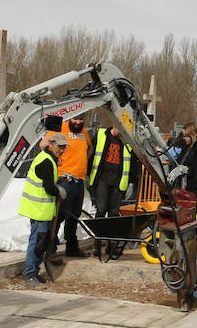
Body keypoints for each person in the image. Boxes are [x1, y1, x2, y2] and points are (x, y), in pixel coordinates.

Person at [18, 132, 67, 287]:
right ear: (50, 145)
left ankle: (34, 272)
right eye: (59, 147)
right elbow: (48, 187)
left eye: (64, 147)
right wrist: (58, 190)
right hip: (38, 210)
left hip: (43, 209)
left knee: (41, 242)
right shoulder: (46, 161)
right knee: (37, 244)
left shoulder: (49, 159)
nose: (62, 150)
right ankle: (30, 274)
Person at [56, 116, 92, 258]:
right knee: (61, 214)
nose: (78, 122)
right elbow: (45, 145)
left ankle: (71, 247)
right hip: (65, 179)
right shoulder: (60, 128)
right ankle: (51, 246)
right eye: (75, 119)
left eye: (81, 120)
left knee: (74, 215)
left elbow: (89, 148)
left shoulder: (84, 132)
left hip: (79, 180)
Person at [88, 123, 133, 217]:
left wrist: (131, 182)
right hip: (102, 178)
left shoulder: (127, 141)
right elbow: (90, 152)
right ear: (114, 125)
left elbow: (132, 162)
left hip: (118, 180)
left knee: (114, 211)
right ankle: (98, 230)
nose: (122, 133)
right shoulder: (101, 135)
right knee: (101, 208)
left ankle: (110, 231)